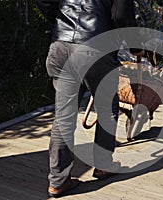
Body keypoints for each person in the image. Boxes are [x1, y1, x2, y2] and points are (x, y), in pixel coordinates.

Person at [39, 0, 144, 197]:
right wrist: (135, 47)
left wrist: (60, 19)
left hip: (60, 45)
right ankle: (103, 165)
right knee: (107, 107)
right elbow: (122, 16)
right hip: (95, 47)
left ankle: (58, 181)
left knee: (63, 117)